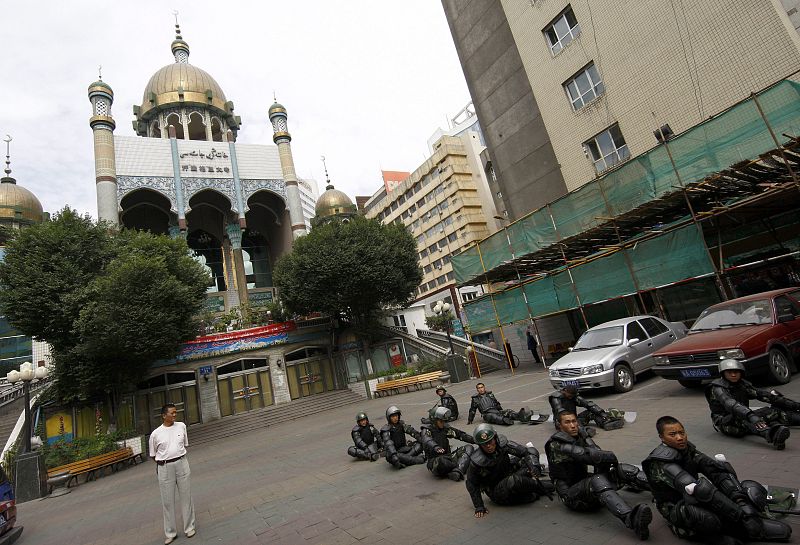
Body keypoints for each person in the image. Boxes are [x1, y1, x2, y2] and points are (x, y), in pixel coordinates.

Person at [642, 415, 792, 544]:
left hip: (694, 496)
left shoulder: (686, 449)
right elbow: (693, 487)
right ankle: (718, 535)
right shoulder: (660, 462)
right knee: (704, 515)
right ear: (662, 437)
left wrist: (743, 506)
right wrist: (740, 517)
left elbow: (713, 470)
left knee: (742, 484)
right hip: (676, 506)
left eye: (682, 432)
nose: (680, 438)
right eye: (673, 434)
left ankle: (751, 522)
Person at [545, 411, 652, 540]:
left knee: (623, 469)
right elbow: (591, 456)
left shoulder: (578, 436)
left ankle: (662, 489)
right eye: (567, 422)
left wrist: (586, 438)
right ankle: (631, 519)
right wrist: (606, 456)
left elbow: (598, 453)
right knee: (598, 480)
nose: (573, 425)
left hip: (585, 485)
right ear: (559, 425)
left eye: (574, 421)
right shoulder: (556, 444)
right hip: (571, 496)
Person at [705, 359, 797, 450]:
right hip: (726, 423)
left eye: (736, 372)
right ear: (723, 373)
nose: (733, 375)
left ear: (741, 373)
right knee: (746, 419)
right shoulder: (717, 388)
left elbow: (763, 395)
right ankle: (773, 435)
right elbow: (730, 404)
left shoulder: (742, 385)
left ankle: (791, 421)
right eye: (729, 372)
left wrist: (793, 404)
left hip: (745, 416)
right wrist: (751, 416)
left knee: (774, 411)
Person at [465, 423, 554, 517]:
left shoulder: (502, 444)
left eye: (490, 441)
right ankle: (541, 487)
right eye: (484, 444)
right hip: (497, 490)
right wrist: (479, 507)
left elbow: (525, 452)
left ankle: (533, 486)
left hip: (510, 474)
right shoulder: (476, 462)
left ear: (495, 438)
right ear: (480, 445)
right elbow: (471, 484)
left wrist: (534, 467)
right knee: (515, 481)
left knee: (532, 451)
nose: (488, 446)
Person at [149, 403, 196, 545]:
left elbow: (184, 445)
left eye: (176, 412)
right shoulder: (155, 434)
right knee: (167, 502)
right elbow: (153, 455)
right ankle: (170, 532)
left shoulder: (181, 426)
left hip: (182, 463)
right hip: (165, 467)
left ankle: (189, 527)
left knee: (186, 497)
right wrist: (163, 462)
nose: (175, 415)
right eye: (172, 413)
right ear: (164, 415)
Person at [420, 407, 475, 481]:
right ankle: (459, 467)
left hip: (448, 456)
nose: (443, 423)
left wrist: (476, 440)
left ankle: (457, 472)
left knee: (469, 448)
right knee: (441, 461)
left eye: (444, 421)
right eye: (441, 421)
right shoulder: (426, 430)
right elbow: (426, 439)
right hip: (435, 461)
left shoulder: (445, 429)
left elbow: (460, 435)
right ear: (434, 420)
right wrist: (436, 447)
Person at [549, 385, 624, 431]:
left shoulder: (573, 396)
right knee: (575, 428)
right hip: (562, 423)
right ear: (565, 391)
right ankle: (583, 431)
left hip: (574, 419)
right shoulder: (556, 398)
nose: (571, 397)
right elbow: (560, 411)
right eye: (570, 395)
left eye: (572, 396)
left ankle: (605, 423)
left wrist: (602, 413)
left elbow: (588, 404)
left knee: (591, 412)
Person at [467, 382, 532, 426]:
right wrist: (470, 420)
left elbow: (496, 403)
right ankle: (504, 420)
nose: (481, 389)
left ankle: (519, 416)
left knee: (508, 411)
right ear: (477, 390)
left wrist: (502, 412)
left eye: (482, 387)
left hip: (495, 410)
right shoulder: (475, 398)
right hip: (487, 414)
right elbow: (472, 410)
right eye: (479, 388)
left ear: (484, 387)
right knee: (493, 416)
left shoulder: (490, 394)